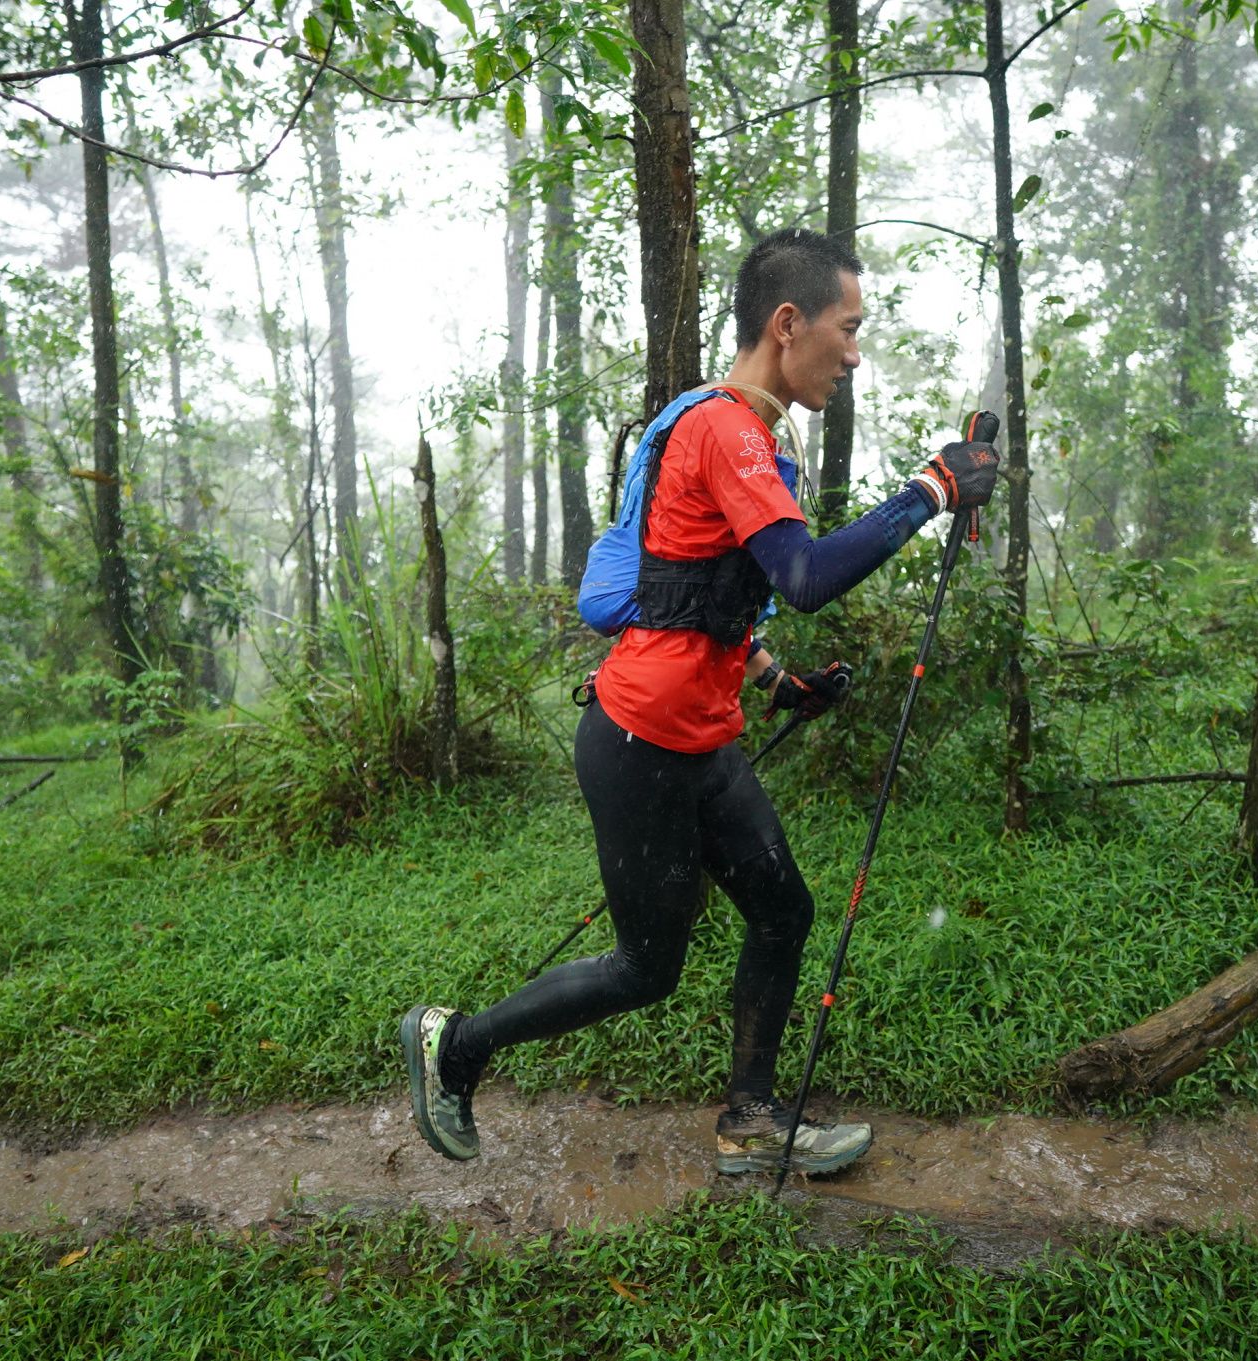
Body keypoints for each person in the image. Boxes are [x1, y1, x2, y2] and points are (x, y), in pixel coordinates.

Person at [401, 228, 1000, 1175]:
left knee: (782, 910)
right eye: (847, 329)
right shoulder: (725, 428)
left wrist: (778, 681)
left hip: (701, 737)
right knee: (648, 967)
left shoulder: (754, 433)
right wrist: (927, 489)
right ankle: (455, 1045)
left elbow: (705, 599)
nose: (854, 352)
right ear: (787, 322)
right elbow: (801, 574)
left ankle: (750, 1124)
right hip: (638, 741)